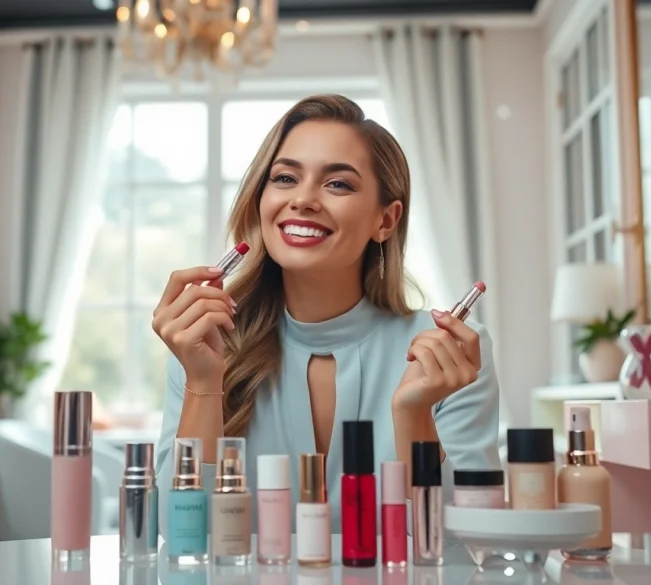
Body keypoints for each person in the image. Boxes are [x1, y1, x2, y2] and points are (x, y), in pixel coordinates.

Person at [151, 94, 500, 533]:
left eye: (338, 184)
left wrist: (415, 416)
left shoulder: (451, 353)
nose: (303, 200)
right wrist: (203, 382)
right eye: (284, 178)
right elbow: (177, 536)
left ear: (386, 221)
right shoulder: (207, 341)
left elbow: (467, 541)